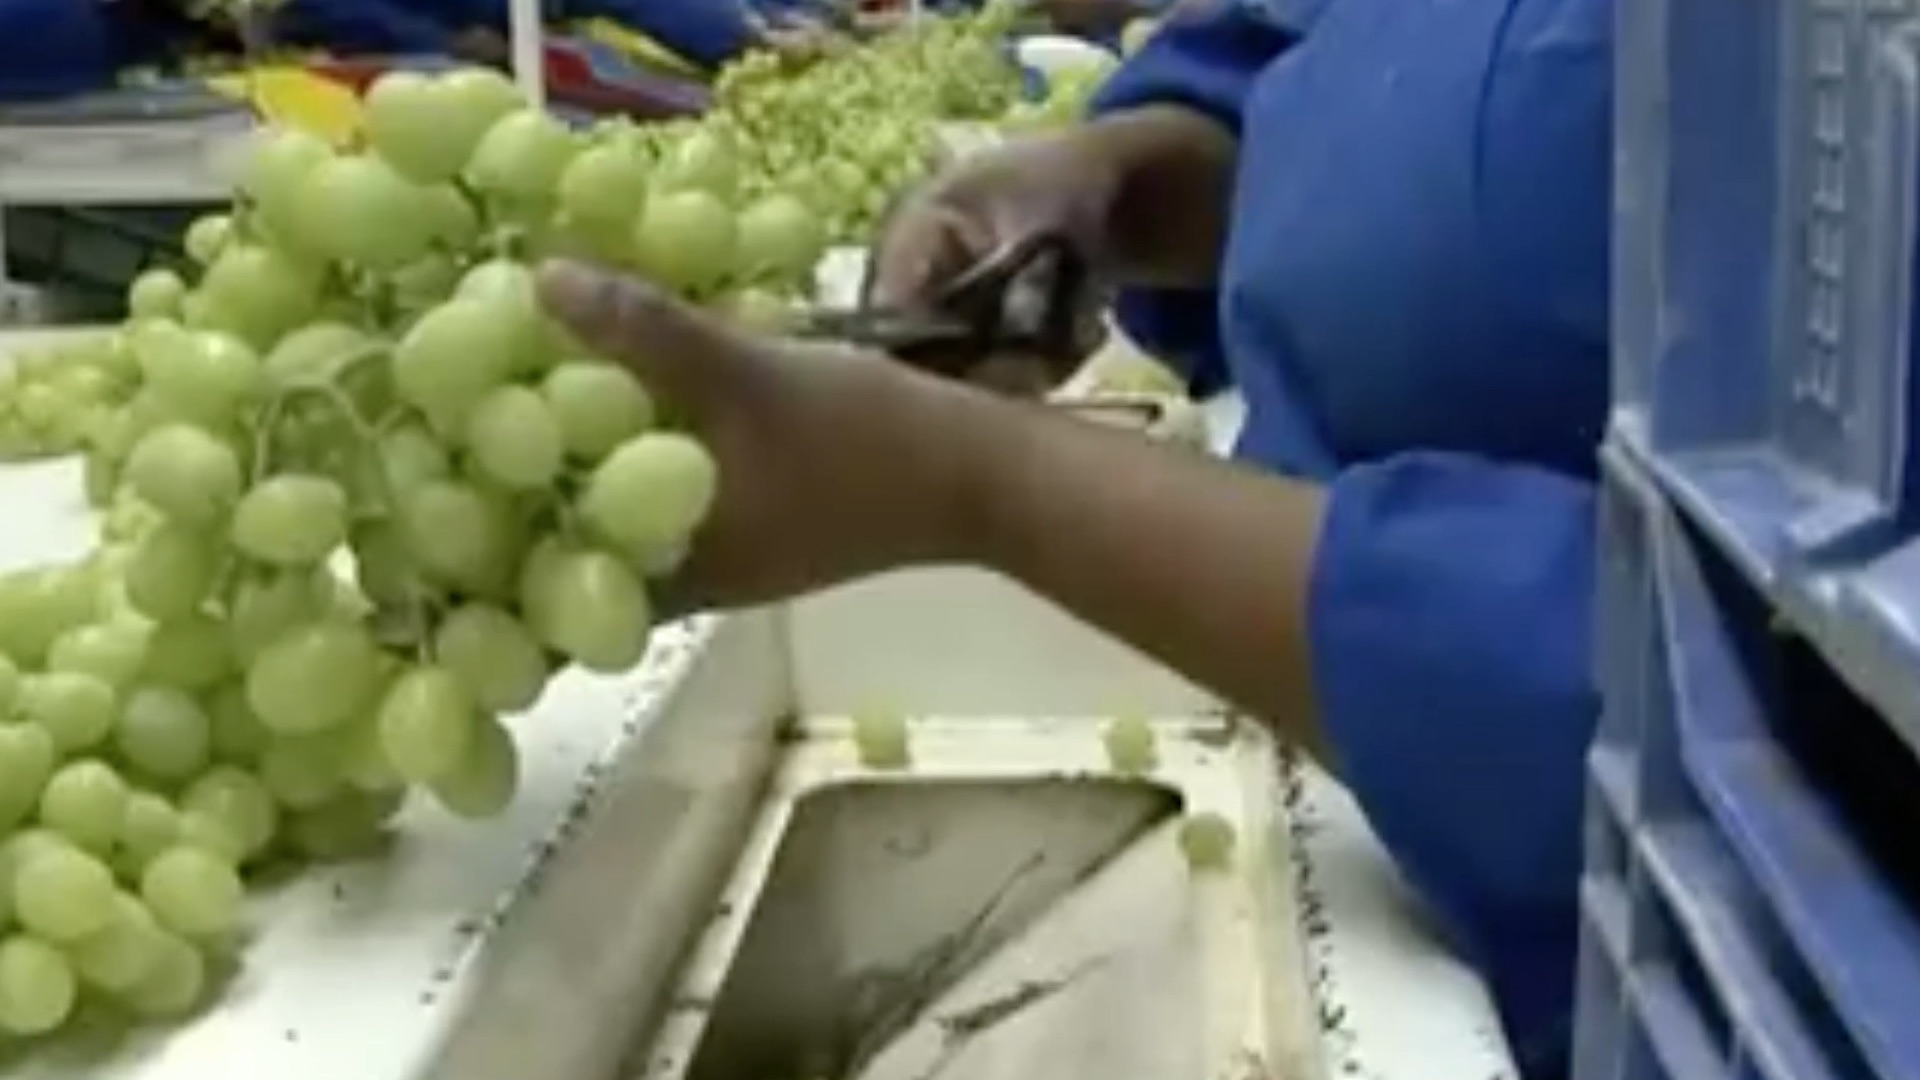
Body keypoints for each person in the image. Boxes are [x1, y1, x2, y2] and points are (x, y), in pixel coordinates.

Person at [534, 0, 1610, 1074]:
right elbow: (1318, 60)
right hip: (1327, 767)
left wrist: (980, 485)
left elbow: (1677, 715)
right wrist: (1121, 180)